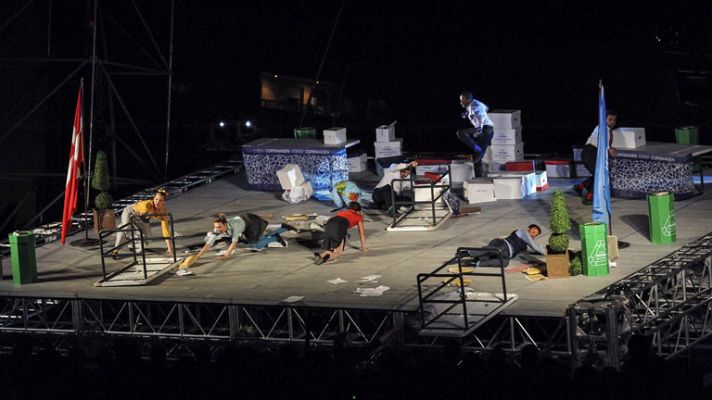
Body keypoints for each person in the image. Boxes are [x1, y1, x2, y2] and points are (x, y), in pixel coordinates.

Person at [177, 213, 290, 274]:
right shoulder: (218, 230)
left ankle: (276, 235)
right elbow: (208, 244)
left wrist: (227, 254)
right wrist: (198, 256)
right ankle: (280, 231)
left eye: (219, 227)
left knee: (255, 245)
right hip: (244, 223)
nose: (217, 229)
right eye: (216, 227)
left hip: (250, 222)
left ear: (225, 224)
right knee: (255, 241)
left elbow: (234, 243)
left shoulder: (234, 227)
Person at [112, 189, 174, 258]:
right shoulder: (147, 205)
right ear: (153, 199)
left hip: (142, 217)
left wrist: (170, 248)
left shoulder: (163, 211)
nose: (157, 202)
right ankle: (115, 250)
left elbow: (165, 230)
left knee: (147, 238)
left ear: (164, 202)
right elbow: (143, 212)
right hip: (130, 212)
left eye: (160, 200)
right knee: (125, 227)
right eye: (156, 199)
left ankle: (132, 244)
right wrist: (149, 213)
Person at [574, 109, 618, 205]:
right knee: (599, 174)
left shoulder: (607, 129)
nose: (612, 122)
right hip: (590, 152)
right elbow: (601, 140)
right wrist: (608, 150)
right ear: (604, 119)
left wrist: (609, 148)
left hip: (589, 153)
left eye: (614, 120)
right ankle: (590, 196)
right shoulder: (603, 128)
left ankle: (580, 187)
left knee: (598, 174)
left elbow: (603, 141)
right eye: (610, 119)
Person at [461, 224, 545, 267]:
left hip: (506, 254)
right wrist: (546, 252)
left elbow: (535, 249)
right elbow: (535, 247)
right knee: (495, 250)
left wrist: (547, 249)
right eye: (533, 232)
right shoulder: (522, 232)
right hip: (503, 244)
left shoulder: (527, 245)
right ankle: (467, 253)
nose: (533, 235)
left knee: (505, 263)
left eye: (535, 235)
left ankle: (476, 263)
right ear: (528, 229)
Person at [457, 91, 494, 177]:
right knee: (477, 158)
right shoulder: (473, 103)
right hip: (487, 129)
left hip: (485, 129)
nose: (461, 102)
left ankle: (477, 148)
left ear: (467, 99)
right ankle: (478, 178)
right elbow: (486, 108)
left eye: (462, 100)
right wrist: (467, 114)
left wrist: (479, 130)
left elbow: (480, 117)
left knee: (460, 133)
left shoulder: (474, 106)